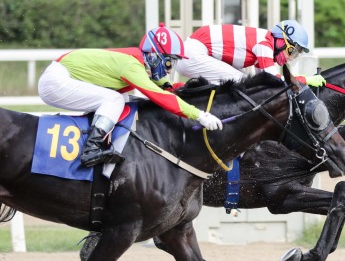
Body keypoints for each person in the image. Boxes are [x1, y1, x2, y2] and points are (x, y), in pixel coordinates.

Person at [38, 23, 224, 168]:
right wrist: (199, 115)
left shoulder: (140, 62)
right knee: (115, 100)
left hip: (63, 76)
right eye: (169, 62)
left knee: (126, 101)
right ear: (155, 56)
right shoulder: (132, 66)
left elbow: (167, 89)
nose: (169, 70)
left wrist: (200, 91)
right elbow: (160, 97)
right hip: (56, 81)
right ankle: (91, 149)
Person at [175, 20, 326, 86]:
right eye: (292, 52)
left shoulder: (265, 41)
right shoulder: (264, 44)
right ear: (281, 42)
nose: (290, 58)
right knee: (241, 82)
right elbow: (275, 80)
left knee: (245, 81)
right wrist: (306, 80)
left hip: (194, 52)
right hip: (192, 54)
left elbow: (264, 82)